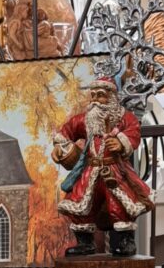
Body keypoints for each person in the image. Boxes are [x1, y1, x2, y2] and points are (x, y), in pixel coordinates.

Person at [52, 76, 154, 258]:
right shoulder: (86, 119)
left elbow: (133, 131)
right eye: (93, 95)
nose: (95, 100)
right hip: (89, 171)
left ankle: (124, 242)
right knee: (80, 203)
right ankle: (85, 243)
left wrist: (121, 143)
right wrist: (59, 147)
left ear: (112, 97)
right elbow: (66, 131)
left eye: (100, 95)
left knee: (120, 204)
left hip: (114, 171)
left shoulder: (123, 118)